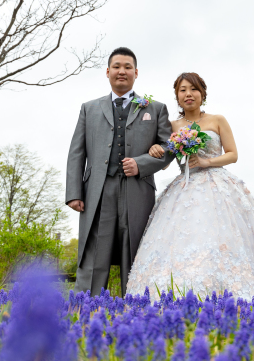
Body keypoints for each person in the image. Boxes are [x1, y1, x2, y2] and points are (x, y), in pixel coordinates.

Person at [125, 72, 254, 298]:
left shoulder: (217, 120)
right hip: (184, 185)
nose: (188, 94)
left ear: (202, 93)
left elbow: (233, 155)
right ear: (177, 96)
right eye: (182, 90)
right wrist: (156, 150)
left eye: (193, 89)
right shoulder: (172, 125)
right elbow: (164, 163)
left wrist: (206, 161)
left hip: (218, 185)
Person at [65, 47, 173, 296]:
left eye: (127, 67)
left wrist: (142, 163)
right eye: (117, 66)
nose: (121, 71)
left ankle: (136, 310)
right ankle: (86, 313)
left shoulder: (155, 109)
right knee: (94, 253)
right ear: (107, 72)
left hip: (138, 190)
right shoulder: (89, 108)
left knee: (134, 251)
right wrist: (74, 192)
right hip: (97, 192)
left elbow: (170, 148)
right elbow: (76, 152)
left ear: (136, 73)